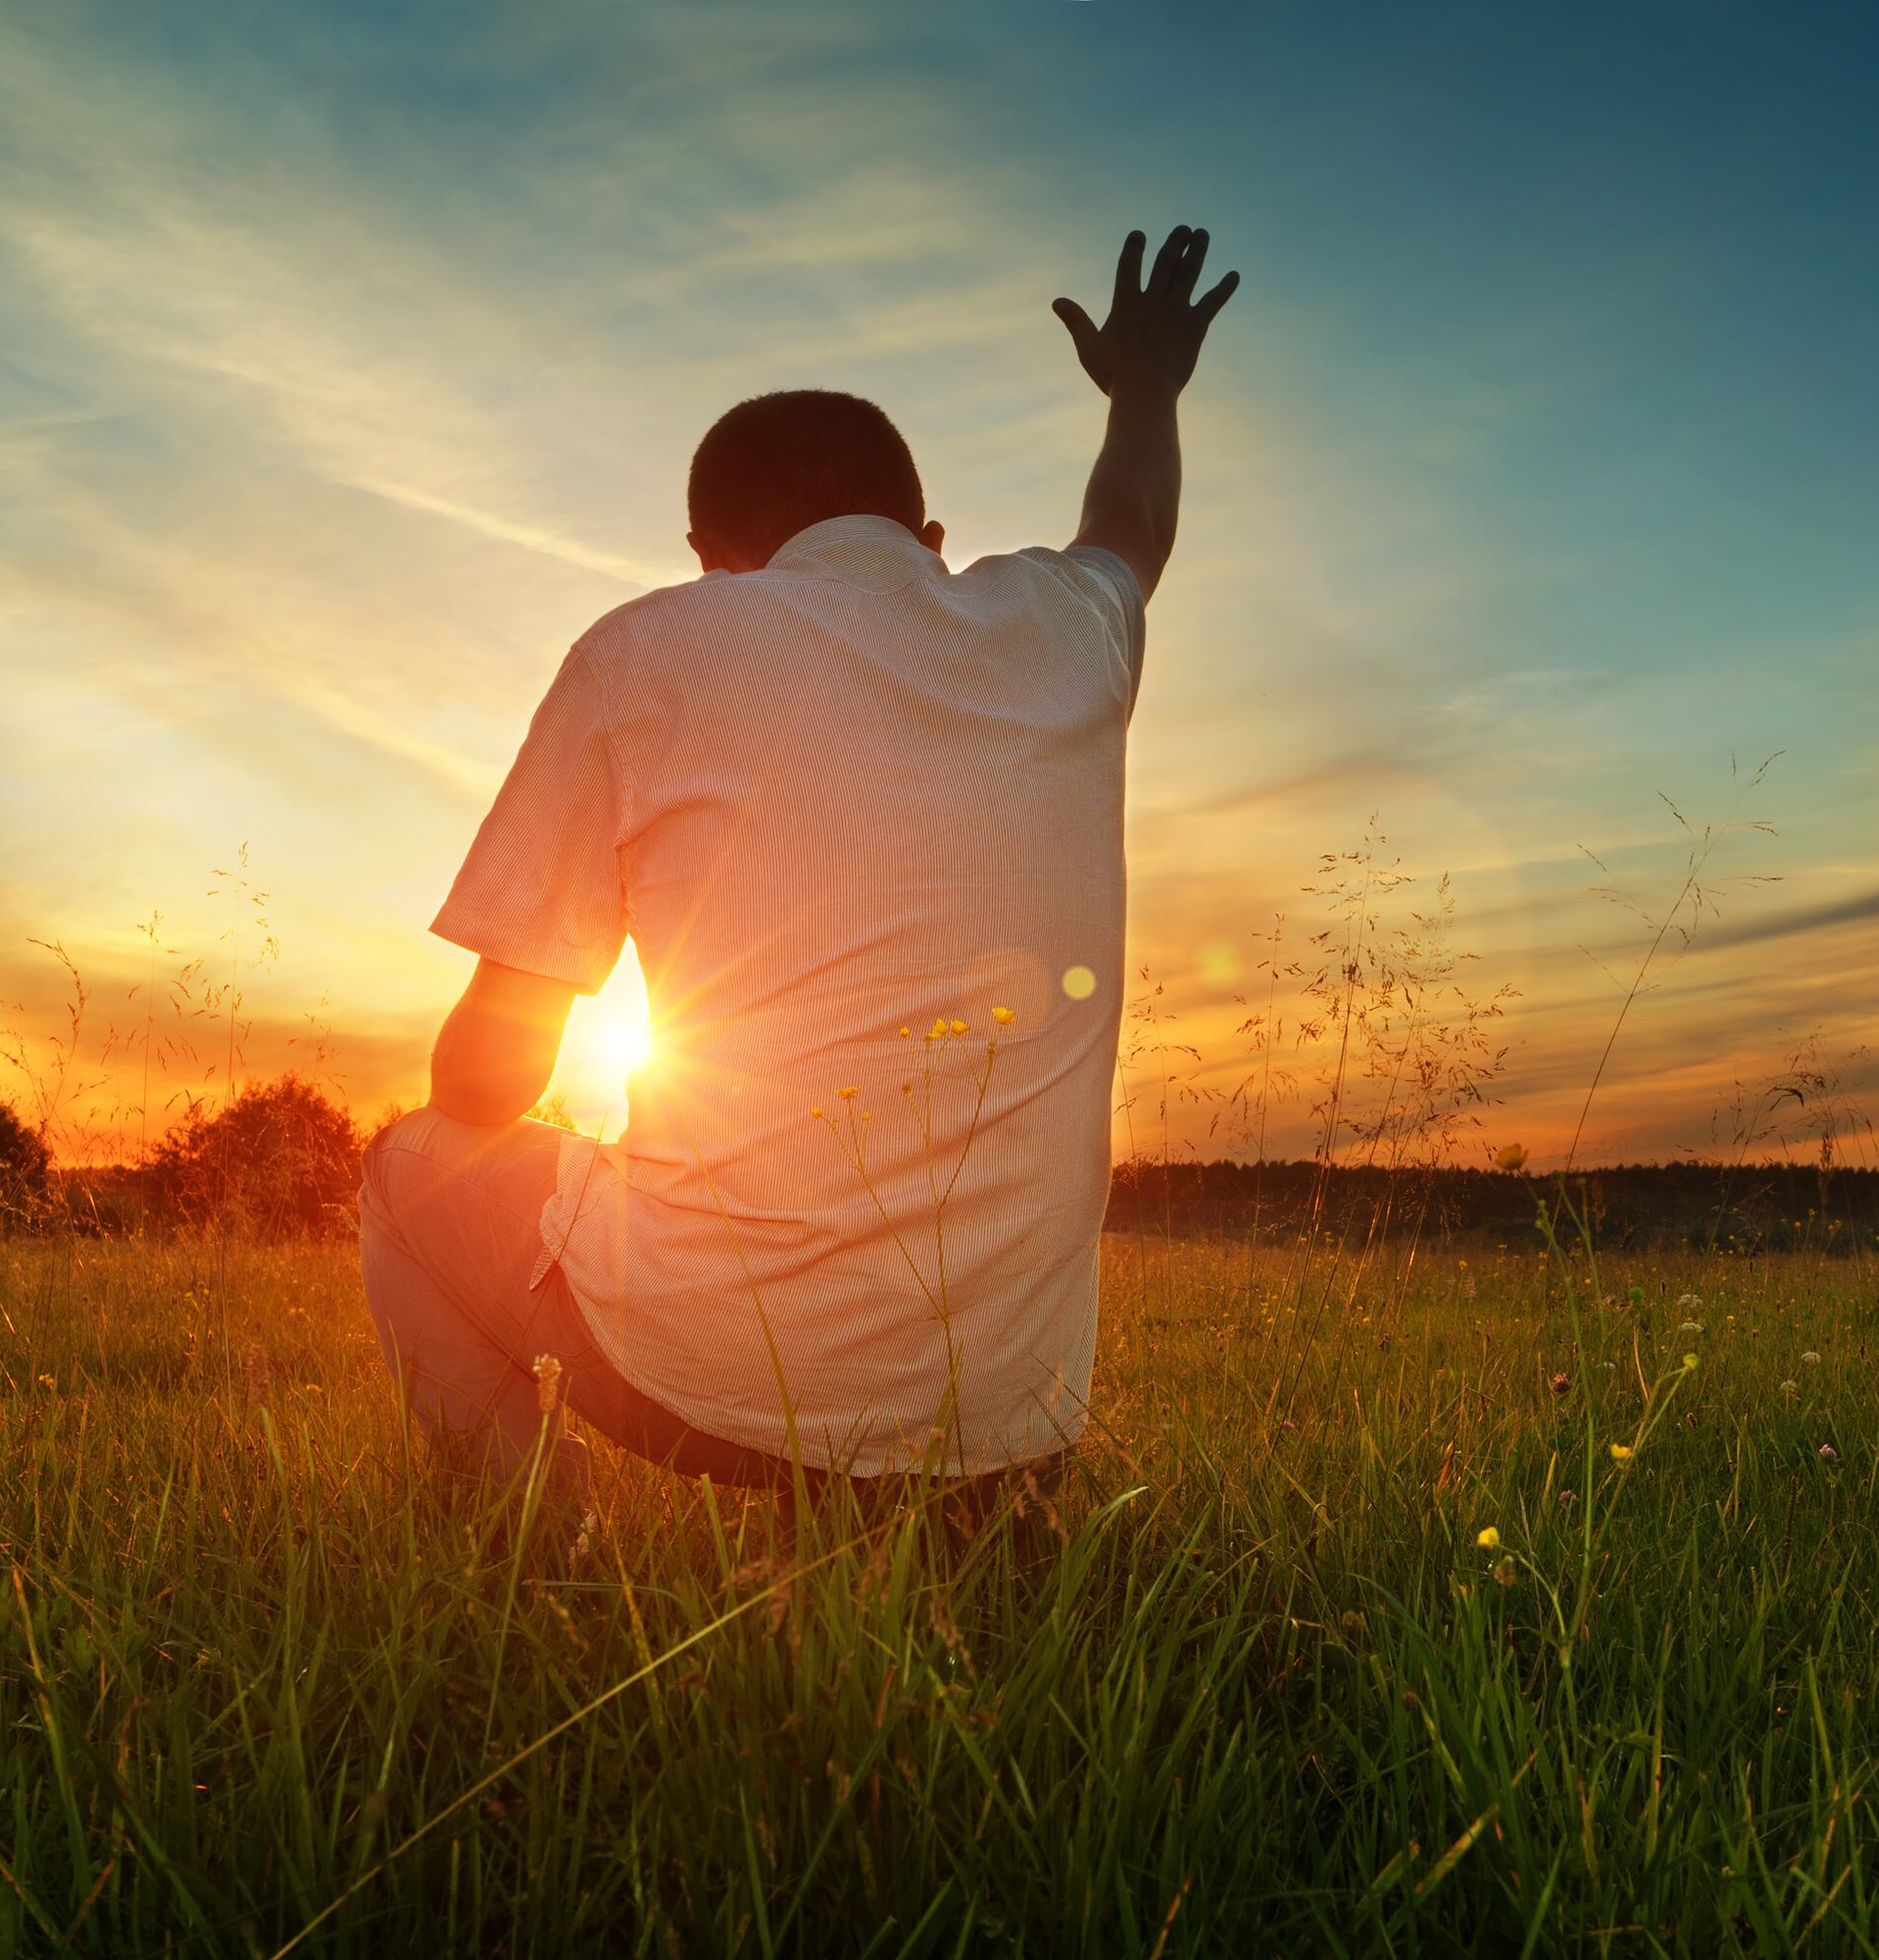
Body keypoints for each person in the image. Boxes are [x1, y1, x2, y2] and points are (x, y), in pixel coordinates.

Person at [356, 225, 1239, 1521]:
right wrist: (1146, 393)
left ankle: (537, 1547)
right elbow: (1132, 528)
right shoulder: (1064, 626)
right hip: (1011, 1419)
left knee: (406, 1160)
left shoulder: (645, 648)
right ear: (929, 537)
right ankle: (950, 1517)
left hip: (703, 1395)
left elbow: (484, 1082)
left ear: (707, 555)